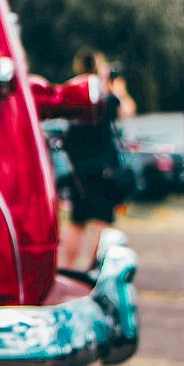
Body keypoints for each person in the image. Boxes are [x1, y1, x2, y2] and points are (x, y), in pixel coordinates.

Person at [59, 50, 136, 271]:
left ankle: (67, 269)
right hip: (104, 169)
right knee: (102, 221)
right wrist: (116, 86)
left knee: (77, 221)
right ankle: (92, 270)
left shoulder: (70, 95)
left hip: (78, 170)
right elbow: (127, 110)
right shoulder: (104, 97)